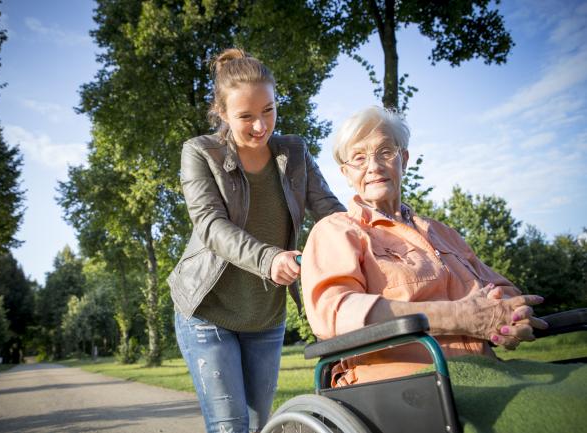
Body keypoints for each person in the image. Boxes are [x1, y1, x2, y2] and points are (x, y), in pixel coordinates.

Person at [301, 105, 549, 385]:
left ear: (403, 160)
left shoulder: (443, 232)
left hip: (488, 373)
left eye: (385, 152)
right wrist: (461, 317)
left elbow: (502, 289)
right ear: (346, 174)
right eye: (359, 158)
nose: (374, 166)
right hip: (405, 386)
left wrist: (508, 315)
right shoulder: (337, 231)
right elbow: (337, 313)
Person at [168, 48, 345, 433]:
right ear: (223, 114)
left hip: (265, 316)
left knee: (257, 423)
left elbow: (331, 212)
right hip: (208, 311)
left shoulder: (294, 152)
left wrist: (374, 228)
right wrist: (269, 259)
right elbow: (210, 225)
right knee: (231, 427)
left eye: (268, 110)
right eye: (246, 116)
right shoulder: (201, 154)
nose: (261, 126)